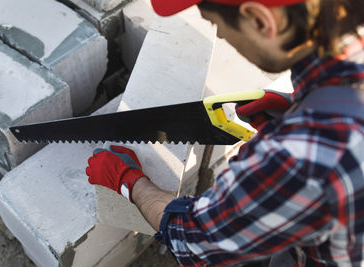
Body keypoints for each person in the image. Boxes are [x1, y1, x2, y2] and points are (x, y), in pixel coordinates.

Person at [86, 0, 364, 266]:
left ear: (260, 20)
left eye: (216, 23)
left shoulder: (304, 155)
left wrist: (128, 181)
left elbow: (194, 240)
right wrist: (295, 106)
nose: (218, 36)